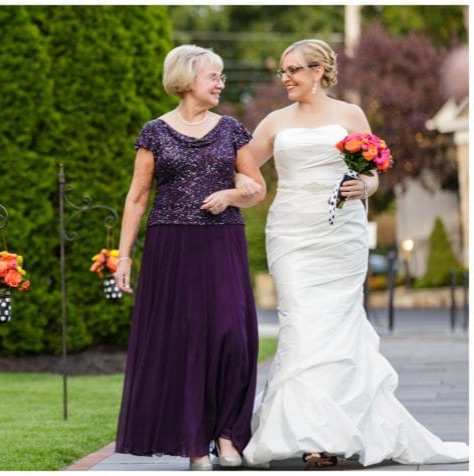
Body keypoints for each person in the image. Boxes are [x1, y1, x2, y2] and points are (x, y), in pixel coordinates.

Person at [240, 39, 469, 468]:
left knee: (338, 326)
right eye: (283, 71)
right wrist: (247, 190)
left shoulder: (350, 116)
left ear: (318, 72)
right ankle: (304, 430)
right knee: (302, 323)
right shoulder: (274, 121)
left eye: (293, 70)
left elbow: (374, 175)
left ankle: (327, 435)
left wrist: (364, 186)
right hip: (290, 231)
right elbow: (245, 166)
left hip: (340, 234)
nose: (285, 78)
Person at [112, 45, 267, 471]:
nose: (221, 83)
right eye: (213, 76)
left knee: (233, 336)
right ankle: (197, 445)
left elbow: (257, 187)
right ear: (185, 79)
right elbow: (137, 197)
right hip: (171, 247)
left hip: (223, 241)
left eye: (221, 76)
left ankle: (229, 434)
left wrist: (231, 195)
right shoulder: (154, 132)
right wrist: (123, 257)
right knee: (185, 344)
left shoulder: (233, 129)